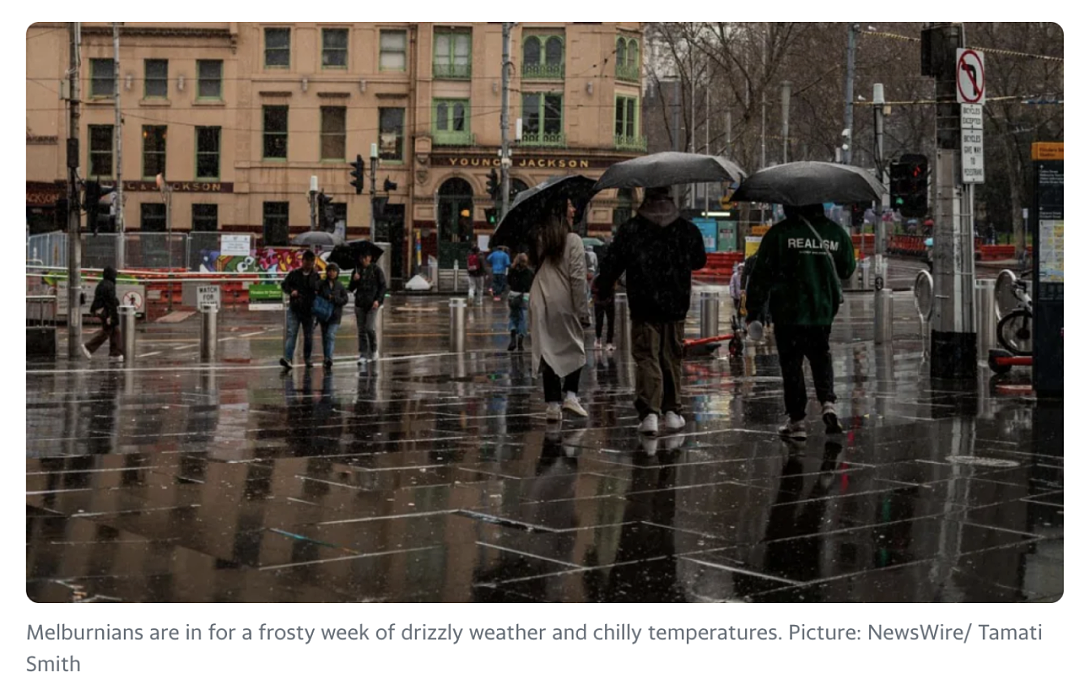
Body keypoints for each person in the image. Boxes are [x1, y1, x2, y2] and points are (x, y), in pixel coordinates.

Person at [596, 186, 706, 435]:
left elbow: (612, 264)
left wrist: (603, 289)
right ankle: (672, 410)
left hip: (644, 305)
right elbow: (700, 260)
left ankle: (650, 413)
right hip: (676, 305)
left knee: (647, 357)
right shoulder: (686, 229)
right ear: (670, 198)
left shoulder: (632, 229)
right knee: (671, 356)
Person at [745, 203, 856, 440]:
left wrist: (754, 312)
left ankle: (797, 421)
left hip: (788, 311)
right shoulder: (835, 233)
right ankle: (827, 402)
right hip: (821, 310)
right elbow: (847, 268)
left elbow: (760, 276)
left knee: (792, 365)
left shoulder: (779, 234)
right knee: (821, 355)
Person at [530, 196, 590, 422]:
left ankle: (553, 405)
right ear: (561, 212)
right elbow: (577, 279)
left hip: (540, 296)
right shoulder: (573, 240)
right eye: (569, 206)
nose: (574, 210)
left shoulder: (541, 238)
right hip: (563, 297)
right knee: (575, 345)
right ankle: (571, 396)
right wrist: (582, 311)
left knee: (548, 349)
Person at [280, 250, 320, 369]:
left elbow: (317, 290)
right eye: (307, 262)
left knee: (308, 336)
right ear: (302, 261)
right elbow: (284, 285)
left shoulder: (315, 276)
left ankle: (307, 357)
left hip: (309, 310)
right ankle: (287, 357)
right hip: (295, 307)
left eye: (311, 262)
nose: (308, 264)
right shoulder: (294, 274)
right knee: (292, 333)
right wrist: (291, 291)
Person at [349, 249, 387, 364]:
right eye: (361, 258)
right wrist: (354, 280)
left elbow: (383, 286)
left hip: (372, 304)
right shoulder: (357, 270)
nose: (363, 260)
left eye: (365, 257)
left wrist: (378, 300)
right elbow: (351, 288)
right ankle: (363, 353)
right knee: (361, 330)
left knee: (369, 328)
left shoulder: (376, 270)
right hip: (360, 303)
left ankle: (374, 349)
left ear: (369, 258)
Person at [81, 266, 123, 362]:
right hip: (105, 311)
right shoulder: (110, 285)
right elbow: (110, 302)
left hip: (100, 309)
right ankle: (89, 347)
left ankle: (115, 353)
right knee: (107, 332)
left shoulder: (103, 284)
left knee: (115, 331)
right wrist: (111, 316)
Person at [316, 262, 349, 370]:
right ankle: (326, 358)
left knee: (330, 335)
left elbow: (345, 299)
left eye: (334, 271)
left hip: (335, 315)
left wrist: (335, 299)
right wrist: (326, 296)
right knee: (325, 337)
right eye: (330, 271)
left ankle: (329, 358)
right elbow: (317, 296)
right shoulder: (321, 284)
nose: (331, 273)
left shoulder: (339, 285)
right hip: (324, 315)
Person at [506, 253, 534, 352]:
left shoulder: (512, 270)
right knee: (523, 319)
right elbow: (531, 284)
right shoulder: (529, 272)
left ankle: (513, 337)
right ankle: (520, 342)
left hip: (513, 295)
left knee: (513, 317)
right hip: (524, 296)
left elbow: (508, 281)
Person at [591, 272, 616, 351]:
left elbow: (613, 289)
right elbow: (593, 290)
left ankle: (607, 342)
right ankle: (600, 340)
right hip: (600, 302)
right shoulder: (598, 279)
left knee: (609, 322)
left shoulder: (606, 278)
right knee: (600, 322)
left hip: (606, 302)